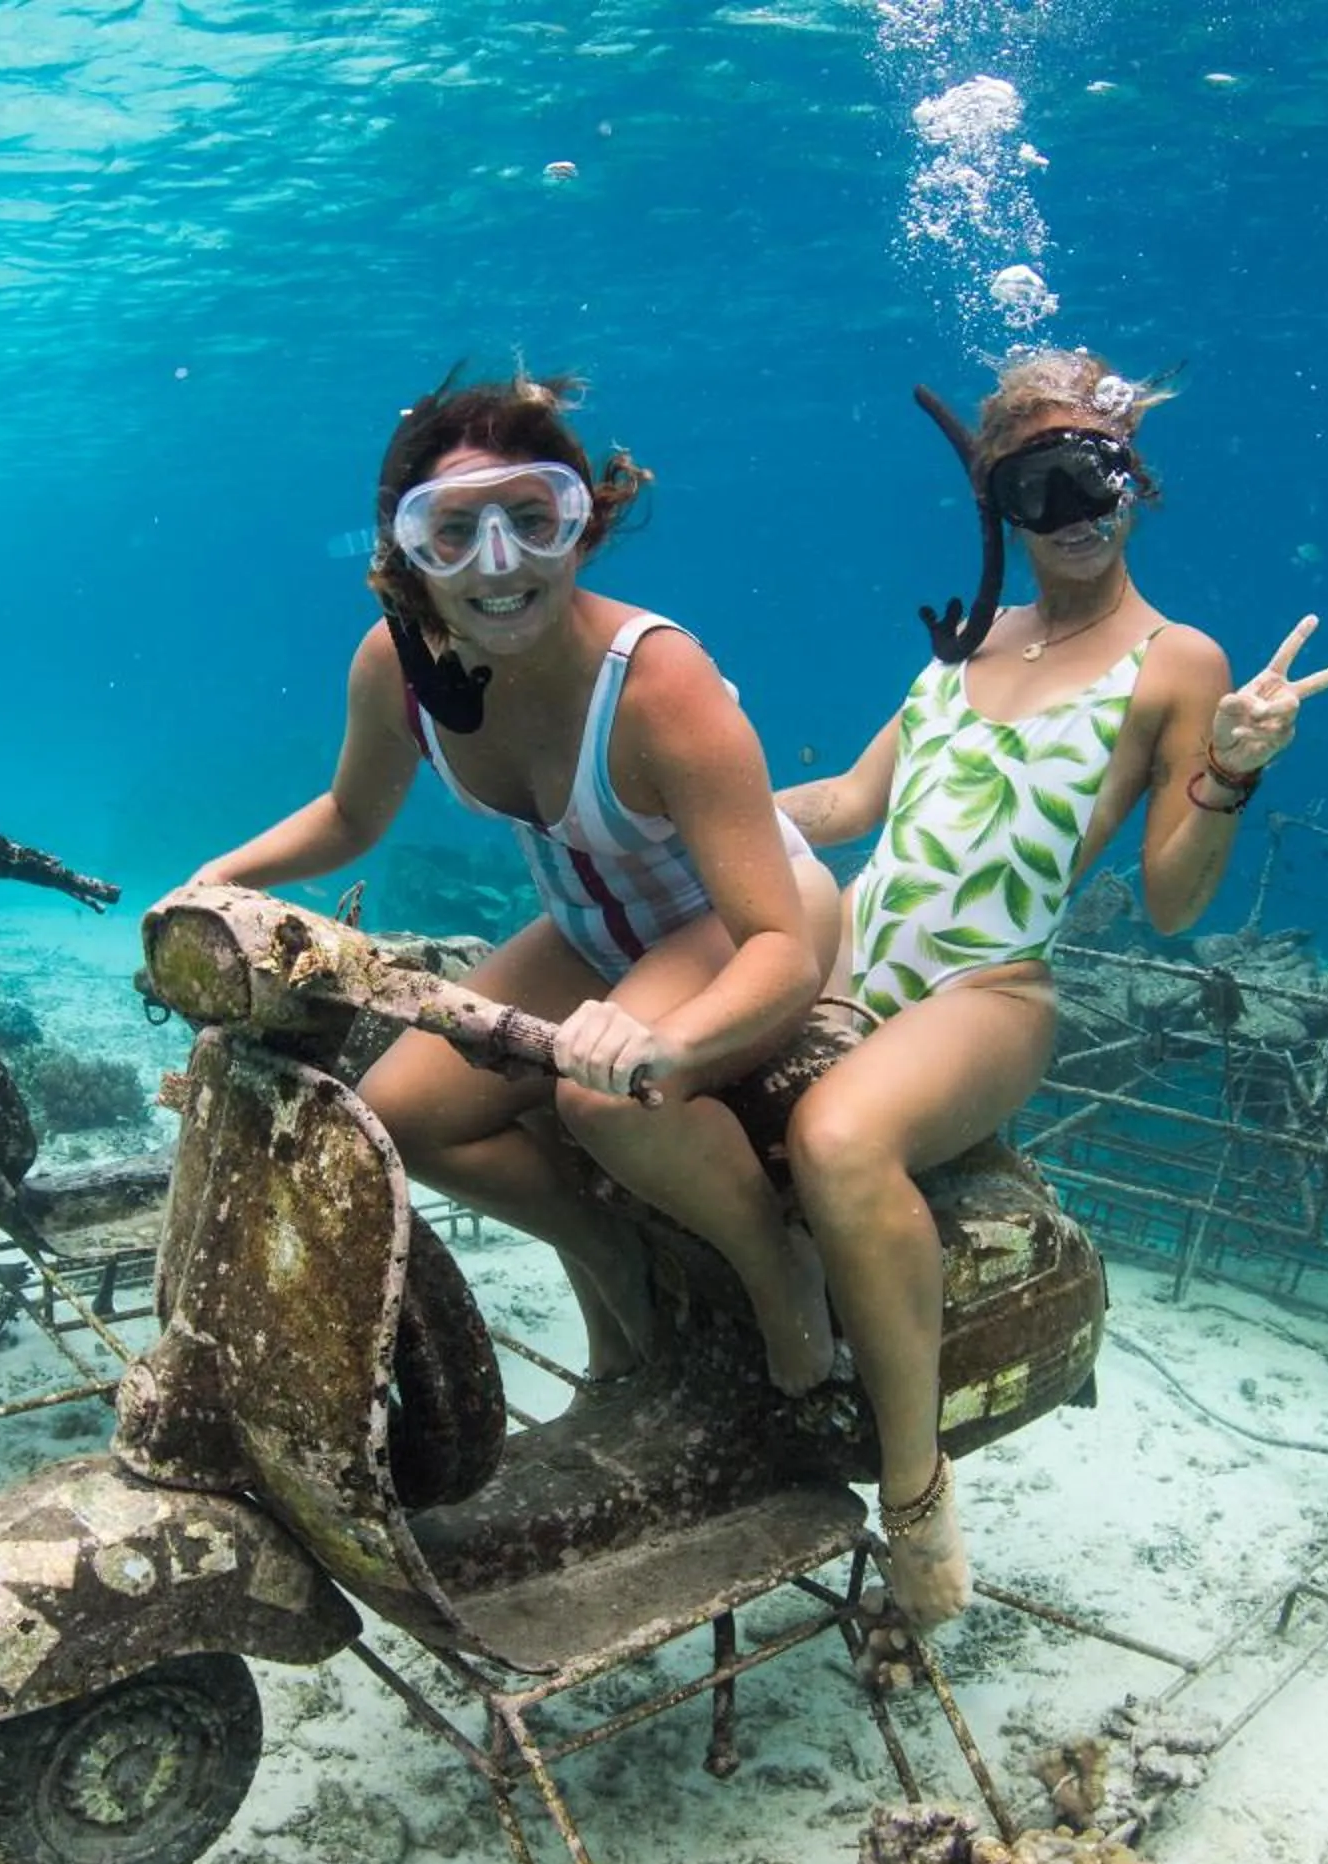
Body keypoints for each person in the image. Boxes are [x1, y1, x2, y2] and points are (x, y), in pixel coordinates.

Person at [770, 348, 1328, 1627]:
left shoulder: (1177, 659)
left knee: (836, 1133)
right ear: (1000, 506)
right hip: (845, 956)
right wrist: (701, 811)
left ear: (1135, 478)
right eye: (1039, 486)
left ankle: (917, 1496)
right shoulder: (965, 640)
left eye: (1096, 472)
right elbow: (851, 807)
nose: (1076, 508)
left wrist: (1235, 771)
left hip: (990, 989)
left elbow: (1172, 900)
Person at [190, 369, 842, 1384]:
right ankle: (611, 1249)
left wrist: (664, 1039)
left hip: (742, 916)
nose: (500, 563)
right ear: (404, 551)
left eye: (534, 520)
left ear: (582, 528)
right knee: (398, 1121)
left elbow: (780, 943)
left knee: (608, 1098)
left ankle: (775, 1266)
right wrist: (218, 875)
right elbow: (350, 814)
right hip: (592, 929)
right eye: (453, 531)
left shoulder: (660, 680)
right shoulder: (398, 663)